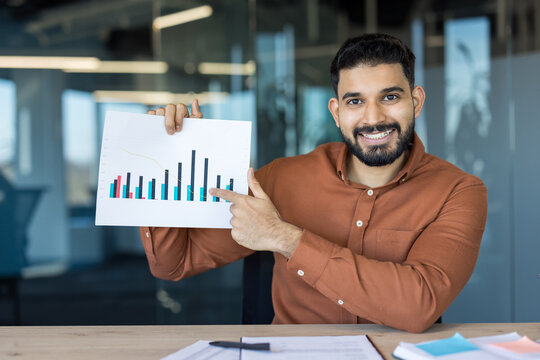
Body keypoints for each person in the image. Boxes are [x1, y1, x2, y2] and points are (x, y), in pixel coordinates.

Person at [140, 33, 487, 333]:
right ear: (336, 112)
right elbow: (174, 262)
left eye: (390, 97)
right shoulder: (281, 179)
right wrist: (171, 159)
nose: (374, 118)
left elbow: (418, 304)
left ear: (416, 102)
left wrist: (285, 238)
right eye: (355, 102)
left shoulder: (457, 192)